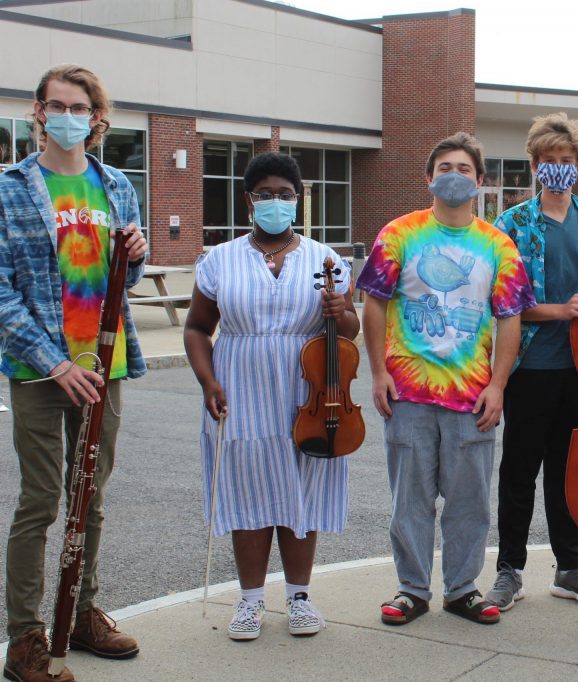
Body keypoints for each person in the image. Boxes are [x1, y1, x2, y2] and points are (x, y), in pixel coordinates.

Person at [0, 64, 147, 682]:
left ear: (95, 118)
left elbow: (125, 279)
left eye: (79, 107)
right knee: (41, 501)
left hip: (101, 363)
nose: (67, 116)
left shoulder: (115, 185)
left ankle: (80, 612)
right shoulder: (10, 188)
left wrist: (136, 258)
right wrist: (54, 361)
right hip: (40, 370)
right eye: (55, 105)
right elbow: (2, 293)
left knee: (91, 497)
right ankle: (25, 638)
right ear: (38, 112)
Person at [357, 132, 534, 626]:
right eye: (444, 167)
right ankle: (412, 589)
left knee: (469, 502)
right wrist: (377, 373)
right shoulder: (398, 234)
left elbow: (510, 318)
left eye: (463, 168)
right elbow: (373, 302)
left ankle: (462, 590)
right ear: (428, 178)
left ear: (480, 181)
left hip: (472, 397)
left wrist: (498, 385)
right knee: (409, 501)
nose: (453, 175)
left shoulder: (498, 245)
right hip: (408, 393)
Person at [184, 152, 360, 641]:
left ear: (298, 201)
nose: (275, 202)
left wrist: (341, 307)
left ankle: (300, 598)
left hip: (309, 391)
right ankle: (249, 601)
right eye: (265, 194)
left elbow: (349, 332)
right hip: (241, 385)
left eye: (285, 194)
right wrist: (206, 378)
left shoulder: (326, 259)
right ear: (249, 201)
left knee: (301, 487)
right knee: (249, 489)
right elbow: (198, 327)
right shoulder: (219, 259)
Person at [485, 113, 578, 611]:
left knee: (570, 472)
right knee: (520, 471)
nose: (558, 168)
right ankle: (509, 570)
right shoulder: (511, 223)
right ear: (535, 164)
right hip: (531, 365)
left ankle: (570, 568)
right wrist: (560, 309)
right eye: (548, 161)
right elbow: (505, 301)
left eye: (567, 160)